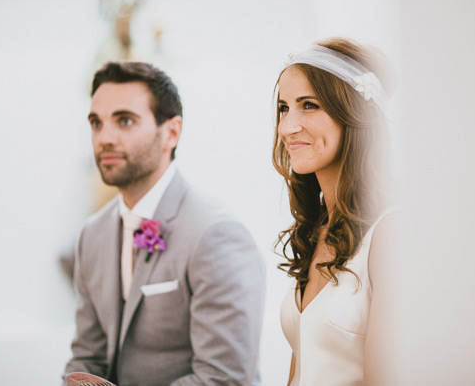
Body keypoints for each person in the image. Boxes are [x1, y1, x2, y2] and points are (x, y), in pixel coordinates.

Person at [63, 61, 265, 386]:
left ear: (171, 132)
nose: (104, 138)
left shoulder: (216, 234)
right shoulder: (92, 234)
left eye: (124, 121)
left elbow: (224, 378)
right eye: (96, 123)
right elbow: (88, 357)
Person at [274, 37, 398, 385]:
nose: (287, 127)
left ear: (356, 113)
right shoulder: (318, 228)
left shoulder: (389, 232)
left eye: (309, 105)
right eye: (284, 108)